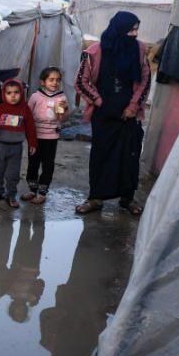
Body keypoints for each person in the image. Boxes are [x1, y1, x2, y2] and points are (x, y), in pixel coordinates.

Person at [74, 11, 150, 216]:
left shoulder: (139, 50)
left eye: (136, 30)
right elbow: (81, 81)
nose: (134, 34)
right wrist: (99, 101)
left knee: (129, 156)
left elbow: (145, 80)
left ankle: (127, 198)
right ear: (119, 29)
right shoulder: (95, 51)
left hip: (129, 115)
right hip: (103, 114)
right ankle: (95, 198)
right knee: (101, 155)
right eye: (130, 30)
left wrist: (133, 107)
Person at [0, 79, 37, 208]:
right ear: (4, 94)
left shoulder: (24, 109)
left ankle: (11, 195)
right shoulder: (0, 108)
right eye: (9, 93)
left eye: (16, 92)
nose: (13, 96)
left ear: (22, 93)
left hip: (16, 147)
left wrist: (32, 144)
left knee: (12, 174)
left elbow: (30, 127)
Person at [22, 67, 70, 204]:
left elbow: (62, 119)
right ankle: (32, 190)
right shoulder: (35, 96)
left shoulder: (61, 97)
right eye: (51, 79)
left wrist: (64, 109)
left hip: (51, 137)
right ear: (43, 82)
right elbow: (27, 114)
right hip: (35, 137)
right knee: (33, 163)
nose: (55, 83)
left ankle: (42, 192)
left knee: (48, 165)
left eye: (58, 80)